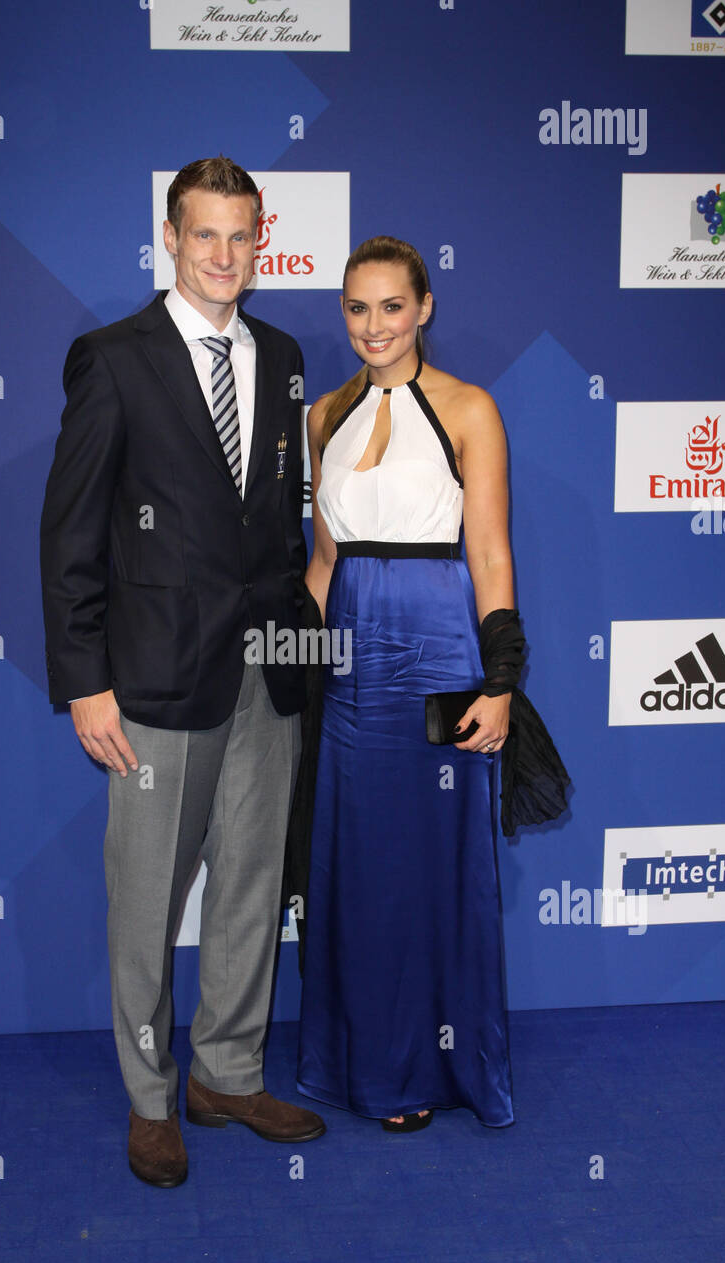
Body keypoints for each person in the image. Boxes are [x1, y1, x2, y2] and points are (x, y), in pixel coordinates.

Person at [40, 156, 325, 1188]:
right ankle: (154, 1097)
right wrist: (85, 679)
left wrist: (302, 650)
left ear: (262, 238)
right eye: (203, 234)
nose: (222, 255)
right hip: (154, 681)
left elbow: (281, 529)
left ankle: (228, 1072)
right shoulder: (113, 359)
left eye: (240, 234)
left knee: (252, 882)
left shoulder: (285, 354)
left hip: (269, 672)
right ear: (169, 236)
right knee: (147, 900)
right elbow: (69, 533)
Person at [297, 235, 517, 1133]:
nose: (373, 325)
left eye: (391, 306)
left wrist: (499, 682)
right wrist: (288, 672)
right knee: (358, 865)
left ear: (424, 307)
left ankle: (429, 1069)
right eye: (356, 307)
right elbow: (321, 563)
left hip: (436, 653)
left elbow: (492, 554)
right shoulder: (322, 417)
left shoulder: (470, 409)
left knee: (430, 864)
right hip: (348, 663)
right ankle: (361, 1061)